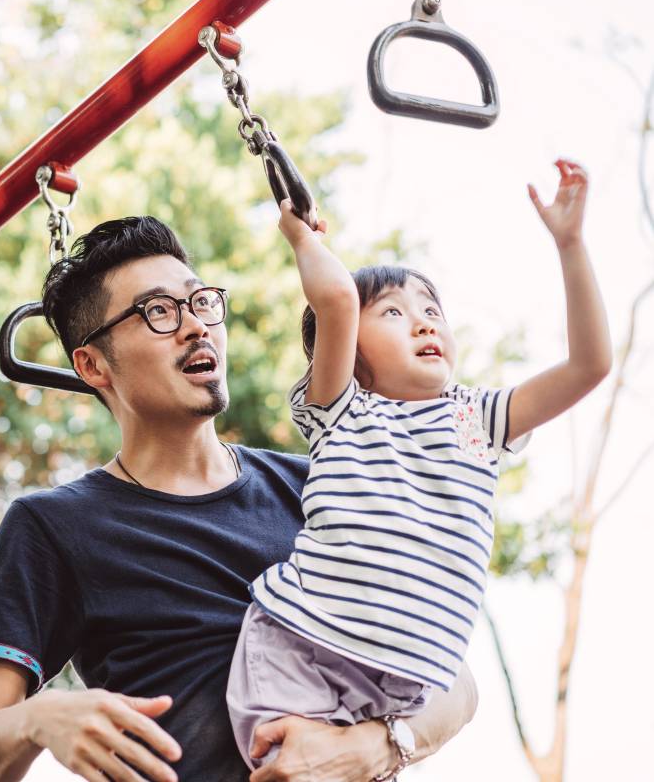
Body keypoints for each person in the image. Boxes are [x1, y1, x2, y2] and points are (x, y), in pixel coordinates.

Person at [0, 216, 486, 782]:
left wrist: (370, 748)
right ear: (92, 365)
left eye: (201, 303)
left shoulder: (318, 484)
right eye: (158, 312)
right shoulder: (52, 526)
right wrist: (42, 716)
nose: (196, 327)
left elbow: (455, 680)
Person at [226, 157, 612, 775]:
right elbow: (333, 300)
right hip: (301, 644)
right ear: (350, 350)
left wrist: (570, 246)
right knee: (285, 768)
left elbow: (588, 367)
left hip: (402, 686)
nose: (425, 319)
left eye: (432, 307)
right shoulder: (342, 410)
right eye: (394, 312)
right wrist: (304, 237)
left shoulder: (475, 419)